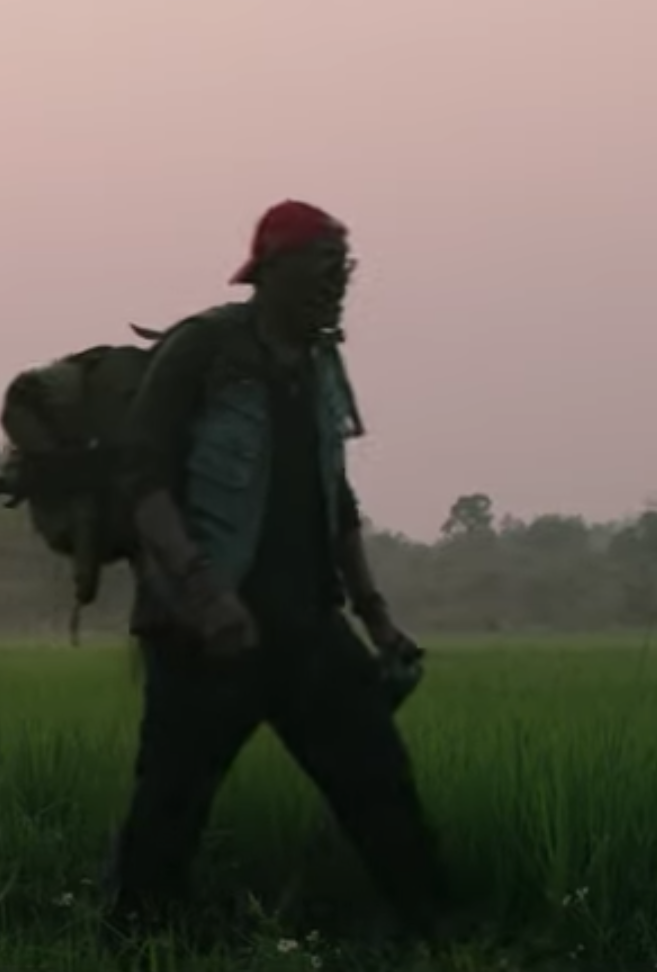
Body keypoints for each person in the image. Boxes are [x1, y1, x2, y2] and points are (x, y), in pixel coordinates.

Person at [102, 201, 451, 939]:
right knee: (169, 808)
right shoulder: (203, 348)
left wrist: (377, 617)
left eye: (344, 269)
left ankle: (440, 939)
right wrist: (204, 593)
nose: (338, 284)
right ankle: (136, 944)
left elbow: (336, 499)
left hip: (308, 626)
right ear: (273, 272)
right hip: (202, 633)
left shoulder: (322, 363)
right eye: (325, 268)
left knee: (380, 785)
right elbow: (142, 478)